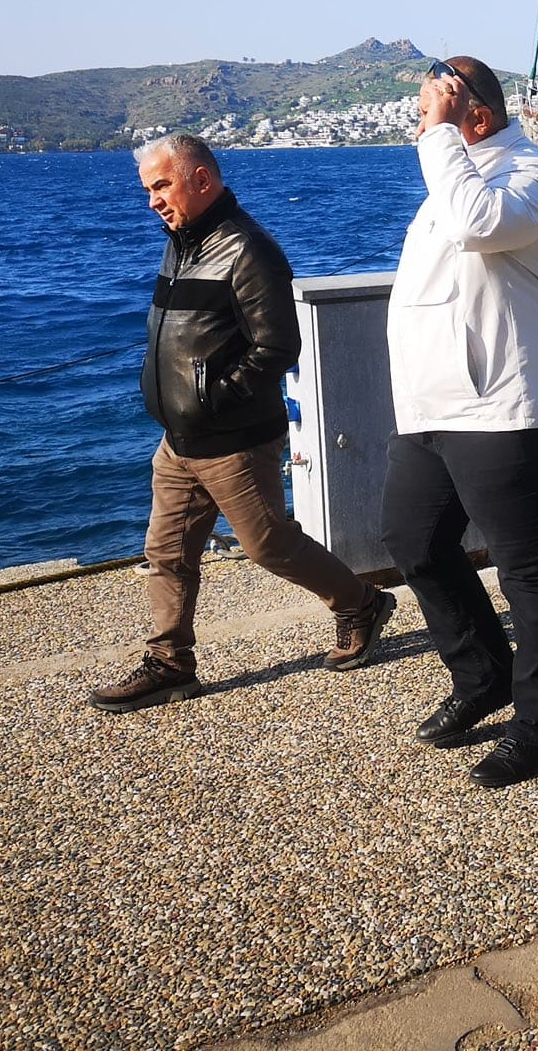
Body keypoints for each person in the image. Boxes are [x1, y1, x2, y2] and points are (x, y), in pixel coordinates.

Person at [89, 134, 395, 712]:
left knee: (268, 544)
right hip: (178, 440)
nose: (152, 200)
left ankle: (360, 602)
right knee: (167, 551)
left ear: (201, 180)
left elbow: (277, 347)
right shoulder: (181, 244)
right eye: (148, 189)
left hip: (231, 438)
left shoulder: (248, 248)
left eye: (161, 185)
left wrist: (216, 400)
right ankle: (169, 662)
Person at [377, 57, 538, 788]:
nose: (420, 125)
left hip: (505, 404)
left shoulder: (532, 175)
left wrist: (440, 138)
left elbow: (479, 223)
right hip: (435, 404)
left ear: (477, 117)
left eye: (433, 110)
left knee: (527, 568)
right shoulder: (455, 175)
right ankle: (483, 674)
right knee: (412, 538)